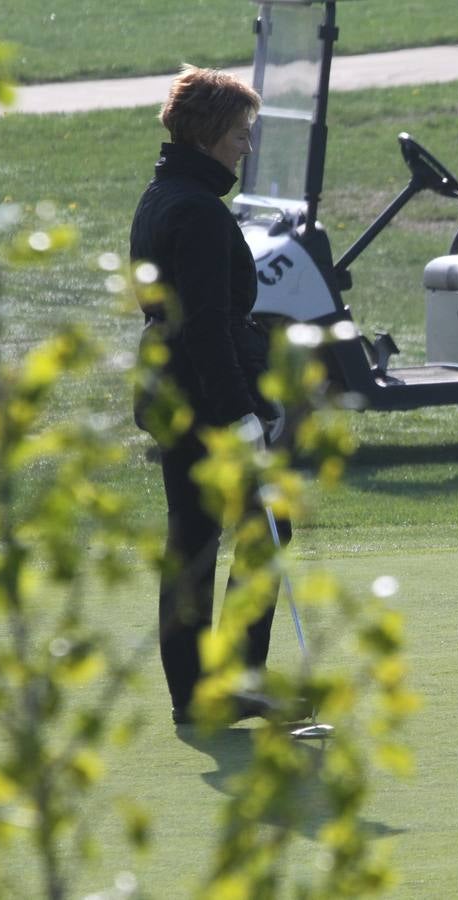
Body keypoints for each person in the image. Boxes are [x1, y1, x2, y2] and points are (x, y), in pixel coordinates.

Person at [130, 65, 287, 726]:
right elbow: (204, 326)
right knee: (262, 528)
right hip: (200, 398)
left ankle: (202, 691)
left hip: (173, 392)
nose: (245, 146)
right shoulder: (194, 210)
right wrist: (238, 415)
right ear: (205, 134)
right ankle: (232, 680)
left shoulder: (166, 192)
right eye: (238, 132)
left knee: (194, 540)